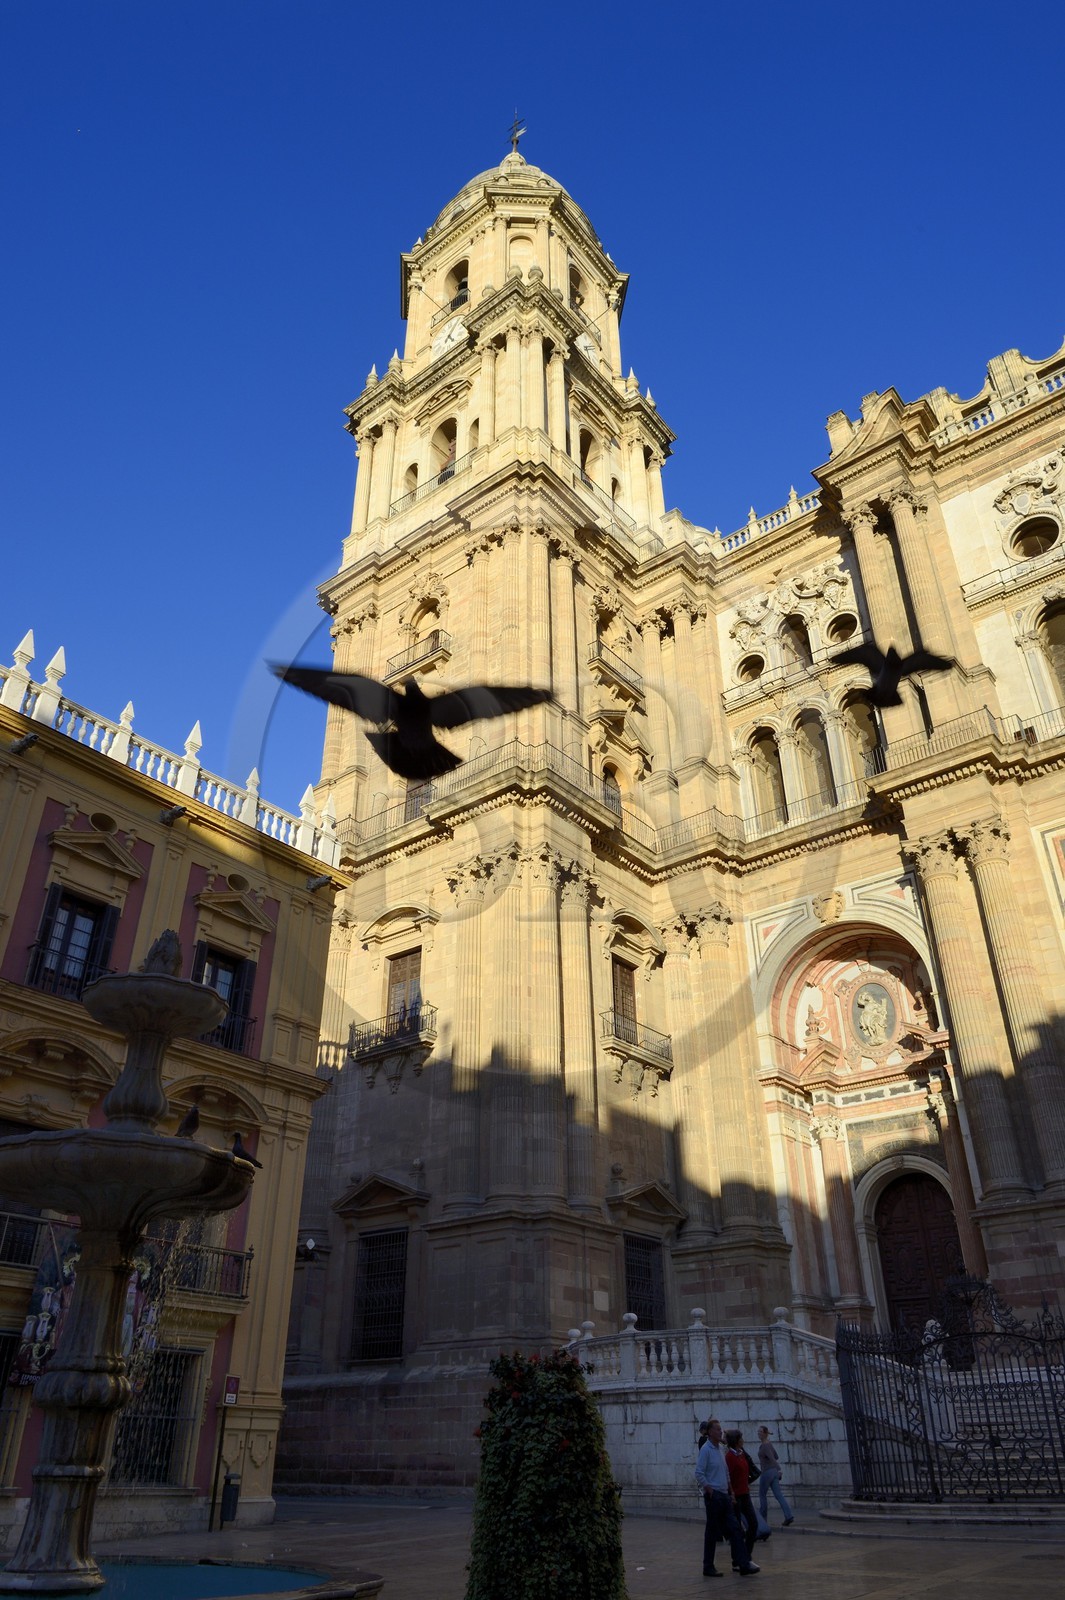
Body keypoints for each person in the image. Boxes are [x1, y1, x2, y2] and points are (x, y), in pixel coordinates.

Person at [695, 1417, 759, 1578]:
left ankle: (743, 1563)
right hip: (714, 1496)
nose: (720, 1431)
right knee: (712, 1532)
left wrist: (731, 1492)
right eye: (717, 1429)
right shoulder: (706, 1450)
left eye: (720, 1429)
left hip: (725, 1495)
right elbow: (699, 1473)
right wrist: (709, 1490)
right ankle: (708, 1566)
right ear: (710, 1432)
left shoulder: (719, 1450)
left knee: (736, 1530)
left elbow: (725, 1473)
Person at [724, 1430, 760, 1564]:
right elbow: (728, 1477)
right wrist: (731, 1493)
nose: (743, 1440)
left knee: (753, 1524)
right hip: (735, 1496)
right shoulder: (729, 1457)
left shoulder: (741, 1454)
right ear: (736, 1440)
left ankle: (746, 1555)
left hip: (745, 1494)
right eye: (741, 1438)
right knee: (737, 1529)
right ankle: (737, 1561)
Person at [757, 1424, 794, 1526]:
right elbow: (776, 1456)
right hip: (773, 1471)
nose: (758, 1434)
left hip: (767, 1472)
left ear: (765, 1434)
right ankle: (788, 1515)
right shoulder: (769, 1444)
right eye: (758, 1432)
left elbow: (773, 1458)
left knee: (762, 1495)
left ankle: (763, 1521)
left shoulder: (764, 1446)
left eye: (760, 1432)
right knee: (778, 1495)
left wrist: (778, 1469)